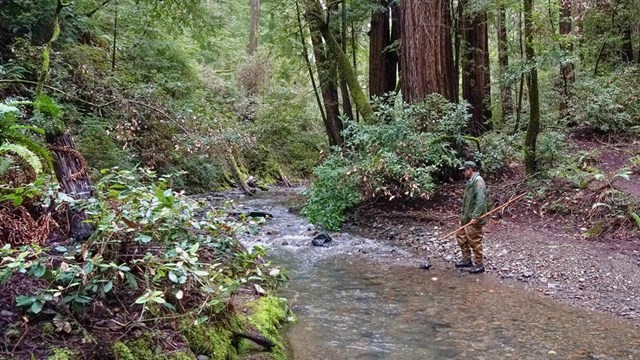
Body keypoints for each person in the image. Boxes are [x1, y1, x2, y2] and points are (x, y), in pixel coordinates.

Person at [455, 161, 488, 274]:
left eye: (464, 170)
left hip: (473, 219)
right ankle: (466, 260)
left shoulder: (478, 181)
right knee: (461, 237)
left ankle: (479, 264)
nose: (463, 172)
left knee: (474, 240)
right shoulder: (470, 182)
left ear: (470, 170)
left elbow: (480, 201)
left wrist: (476, 216)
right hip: (465, 217)